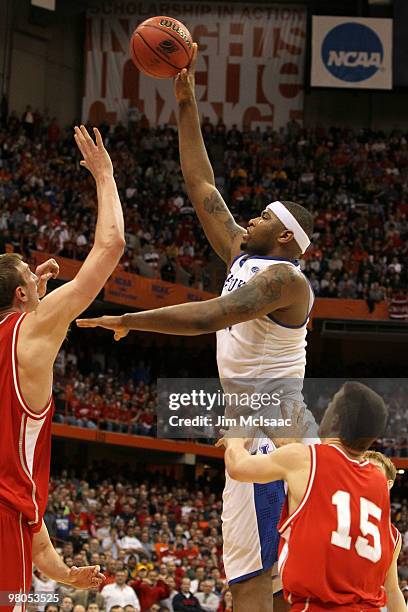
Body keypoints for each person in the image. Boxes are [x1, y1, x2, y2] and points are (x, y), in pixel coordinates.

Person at [77, 45, 315, 612]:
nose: (249, 217)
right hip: (256, 421)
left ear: (284, 237)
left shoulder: (287, 282)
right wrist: (185, 98)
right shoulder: (244, 255)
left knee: (250, 578)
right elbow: (201, 185)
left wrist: (130, 318)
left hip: (267, 423)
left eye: (262, 216)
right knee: (272, 576)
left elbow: (213, 314)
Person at [0, 125, 125, 600]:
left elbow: (39, 548)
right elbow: (110, 247)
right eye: (31, 277)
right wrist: (105, 175)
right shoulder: (31, 330)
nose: (41, 275)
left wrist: (67, 579)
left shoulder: (24, 332)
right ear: (19, 294)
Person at [218, 382, 406, 611]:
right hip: (366, 606)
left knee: (252, 585)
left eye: (330, 406)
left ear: (335, 421)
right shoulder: (377, 482)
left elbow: (238, 467)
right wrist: (291, 444)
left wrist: (235, 439)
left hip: (319, 606)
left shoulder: (307, 460)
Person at [364, 450, 405, 611]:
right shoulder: (334, 511)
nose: (365, 475)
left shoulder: (393, 536)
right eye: (361, 468)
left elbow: (392, 590)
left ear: (388, 484)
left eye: (373, 471)